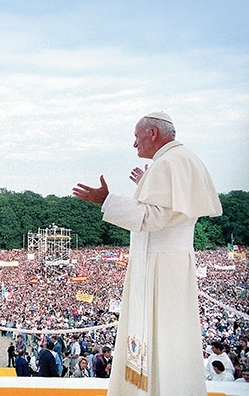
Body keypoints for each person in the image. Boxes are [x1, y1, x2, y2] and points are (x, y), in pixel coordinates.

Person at [73, 111, 222, 395]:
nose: (134, 144)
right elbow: (169, 209)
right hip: (172, 262)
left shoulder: (167, 164)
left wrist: (105, 201)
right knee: (170, 337)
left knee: (161, 335)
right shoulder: (181, 159)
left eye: (136, 136)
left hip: (159, 265)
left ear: (152, 133)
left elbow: (152, 218)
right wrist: (146, 183)